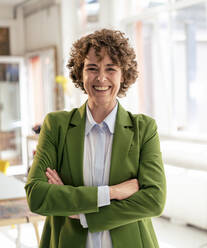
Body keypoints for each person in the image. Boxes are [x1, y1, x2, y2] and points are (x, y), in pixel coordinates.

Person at [25, 29, 166, 248]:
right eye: (92, 68)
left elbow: (154, 201)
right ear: (80, 73)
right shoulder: (56, 126)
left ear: (124, 74)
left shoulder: (144, 129)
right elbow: (37, 196)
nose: (101, 78)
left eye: (111, 69)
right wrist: (113, 192)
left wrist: (81, 213)